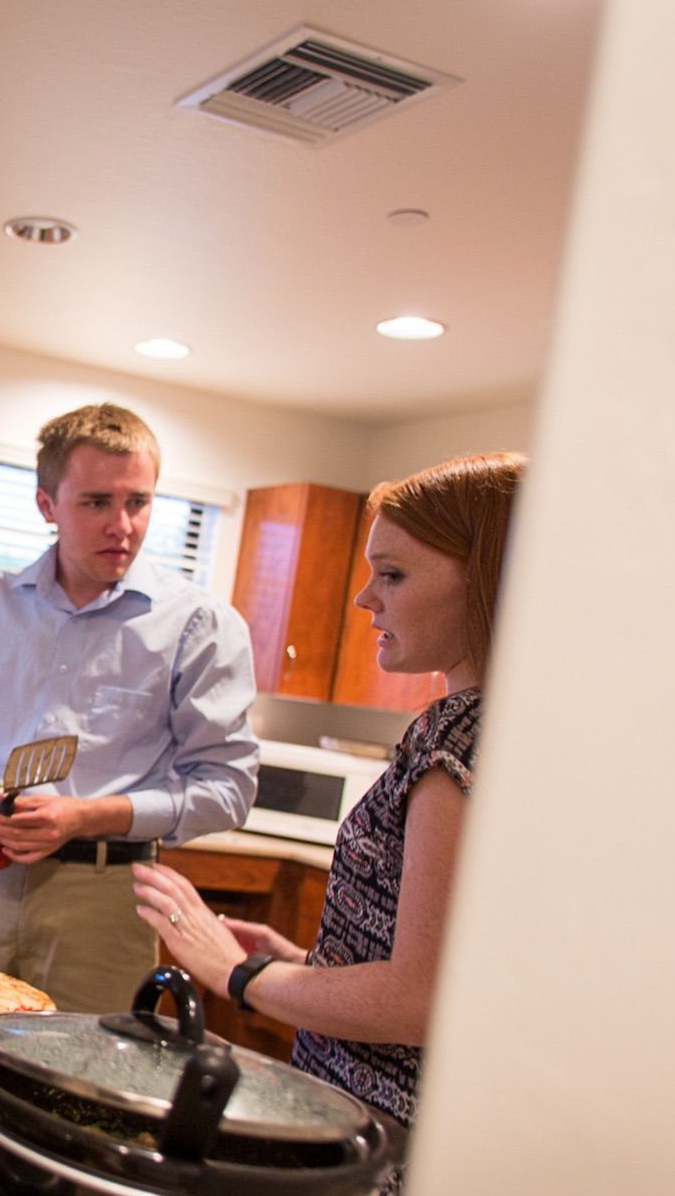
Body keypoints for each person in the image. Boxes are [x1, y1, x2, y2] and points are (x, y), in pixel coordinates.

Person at [131, 452, 527, 1158]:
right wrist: (307, 964)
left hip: (382, 1133)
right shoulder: (510, 725)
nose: (366, 598)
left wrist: (240, 976)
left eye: (394, 574)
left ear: (489, 576)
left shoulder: (455, 737)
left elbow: (418, 1001)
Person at [0, 403, 259, 1013]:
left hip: (106, 895)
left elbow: (228, 790)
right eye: (97, 502)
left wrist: (87, 816)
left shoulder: (200, 624)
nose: (122, 525)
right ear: (47, 505)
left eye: (138, 502)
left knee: (84, 1067)